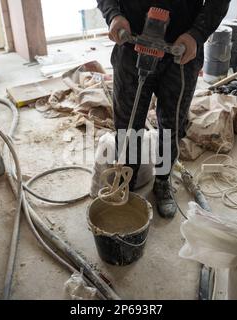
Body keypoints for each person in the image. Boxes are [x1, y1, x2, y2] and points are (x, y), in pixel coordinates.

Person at [97, 0, 230, 219]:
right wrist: (113, 15)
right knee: (128, 123)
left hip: (181, 51)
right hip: (131, 44)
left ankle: (162, 179)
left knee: (172, 123)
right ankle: (125, 182)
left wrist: (197, 33)